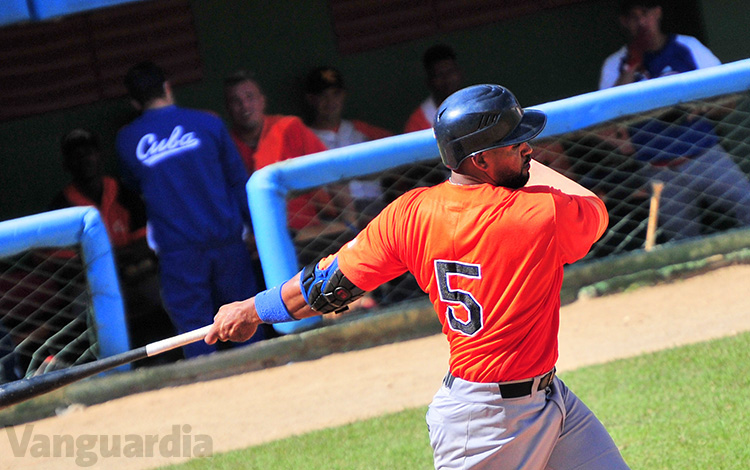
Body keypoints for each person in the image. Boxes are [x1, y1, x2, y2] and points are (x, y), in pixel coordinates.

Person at [206, 84, 631, 469]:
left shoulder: (410, 212)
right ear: (480, 159)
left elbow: (326, 286)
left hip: (548, 399)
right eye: (515, 142)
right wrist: (525, 173)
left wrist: (253, 308)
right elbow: (593, 207)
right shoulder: (540, 212)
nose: (529, 150)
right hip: (487, 425)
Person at [115, 61, 270, 359]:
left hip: (178, 251)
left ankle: (209, 396)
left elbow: (133, 185)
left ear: (134, 102)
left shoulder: (128, 139)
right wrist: (258, 230)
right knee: (246, 324)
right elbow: (239, 182)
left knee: (195, 334)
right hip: (226, 241)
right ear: (167, 87)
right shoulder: (209, 123)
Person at [599, 0, 750, 240]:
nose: (641, 22)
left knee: (748, 204)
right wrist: (632, 65)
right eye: (633, 16)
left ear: (657, 12)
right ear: (624, 22)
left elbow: (729, 102)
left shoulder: (687, 47)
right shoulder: (615, 65)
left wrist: (701, 108)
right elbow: (609, 120)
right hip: (659, 170)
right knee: (680, 242)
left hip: (706, 156)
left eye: (645, 12)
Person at [50, 128, 183, 366]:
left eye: (89, 152)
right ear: (66, 164)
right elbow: (65, 268)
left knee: (157, 289)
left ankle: (167, 357)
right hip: (91, 286)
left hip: (134, 276)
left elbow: (145, 246)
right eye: (76, 155)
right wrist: (114, 260)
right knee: (79, 307)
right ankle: (104, 369)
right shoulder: (60, 205)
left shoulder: (124, 192)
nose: (85, 159)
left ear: (99, 156)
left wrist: (99, 259)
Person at [223, 70, 338, 234]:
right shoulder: (224, 145)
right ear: (228, 109)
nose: (245, 106)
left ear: (262, 101)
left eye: (250, 97)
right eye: (236, 101)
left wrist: (350, 223)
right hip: (258, 238)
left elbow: (334, 171)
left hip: (309, 232)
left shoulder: (288, 127)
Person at [303, 65, 393, 226]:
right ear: (311, 99)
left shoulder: (363, 130)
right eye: (323, 96)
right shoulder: (303, 138)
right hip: (333, 217)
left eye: (335, 94)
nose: (330, 101)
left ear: (343, 95)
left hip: (377, 208)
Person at [403, 43, 463, 134]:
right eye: (439, 75)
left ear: (459, 73)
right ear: (429, 81)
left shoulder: (476, 105)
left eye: (450, 72)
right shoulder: (417, 123)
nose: (447, 79)